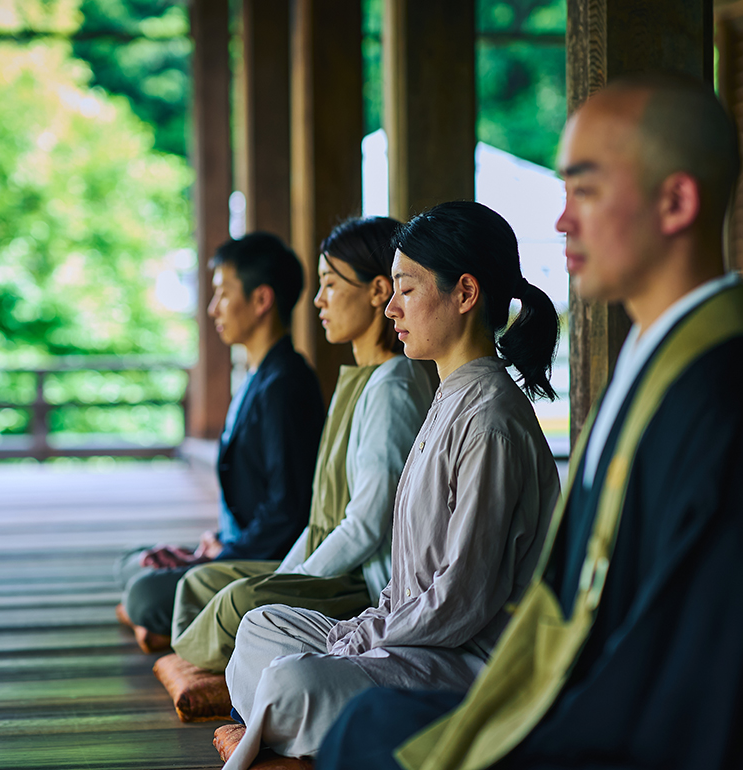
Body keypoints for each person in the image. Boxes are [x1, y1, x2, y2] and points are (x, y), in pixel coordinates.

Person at [317, 74, 743, 770]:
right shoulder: (663, 363)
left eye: (586, 190)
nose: (563, 220)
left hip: (643, 735)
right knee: (367, 719)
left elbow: (703, 675)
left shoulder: (723, 399)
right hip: (597, 702)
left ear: (675, 201)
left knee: (364, 730)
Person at [220, 201, 563, 770]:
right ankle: (298, 719)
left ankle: (298, 720)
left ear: (466, 293)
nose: (393, 306)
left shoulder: (492, 421)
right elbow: (409, 578)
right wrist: (359, 631)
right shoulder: (448, 394)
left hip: (465, 660)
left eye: (405, 289)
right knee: (261, 630)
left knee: (294, 680)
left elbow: (463, 600)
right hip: (405, 638)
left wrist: (361, 639)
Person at [168, 217, 435, 673]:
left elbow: (366, 525)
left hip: (361, 581)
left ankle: (215, 666)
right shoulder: (358, 379)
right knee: (198, 584)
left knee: (236, 603)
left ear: (376, 292)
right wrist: (280, 578)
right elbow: (317, 520)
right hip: (323, 558)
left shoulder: (391, 386)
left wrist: (288, 581)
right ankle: (213, 660)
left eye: (330, 284)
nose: (318, 300)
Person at [114, 232, 326, 653]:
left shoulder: (285, 385)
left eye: (222, 295)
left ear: (261, 300)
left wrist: (222, 556)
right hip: (238, 546)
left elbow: (288, 512)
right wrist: (214, 545)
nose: (213, 309)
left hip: (267, 562)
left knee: (144, 594)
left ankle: (180, 619)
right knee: (135, 563)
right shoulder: (259, 374)